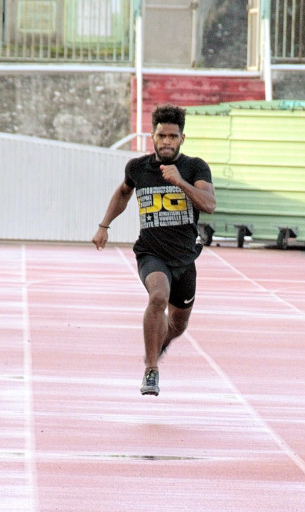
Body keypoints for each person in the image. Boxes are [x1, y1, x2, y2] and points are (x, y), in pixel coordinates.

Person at [92, 104, 216, 397]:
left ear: (182, 138)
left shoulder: (195, 167)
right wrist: (104, 225)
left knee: (179, 324)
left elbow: (209, 204)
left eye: (173, 136)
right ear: (153, 137)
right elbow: (123, 193)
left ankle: (161, 343)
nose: (167, 142)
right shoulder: (137, 167)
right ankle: (151, 370)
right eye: (162, 136)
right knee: (158, 297)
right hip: (151, 253)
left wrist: (179, 182)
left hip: (185, 257)